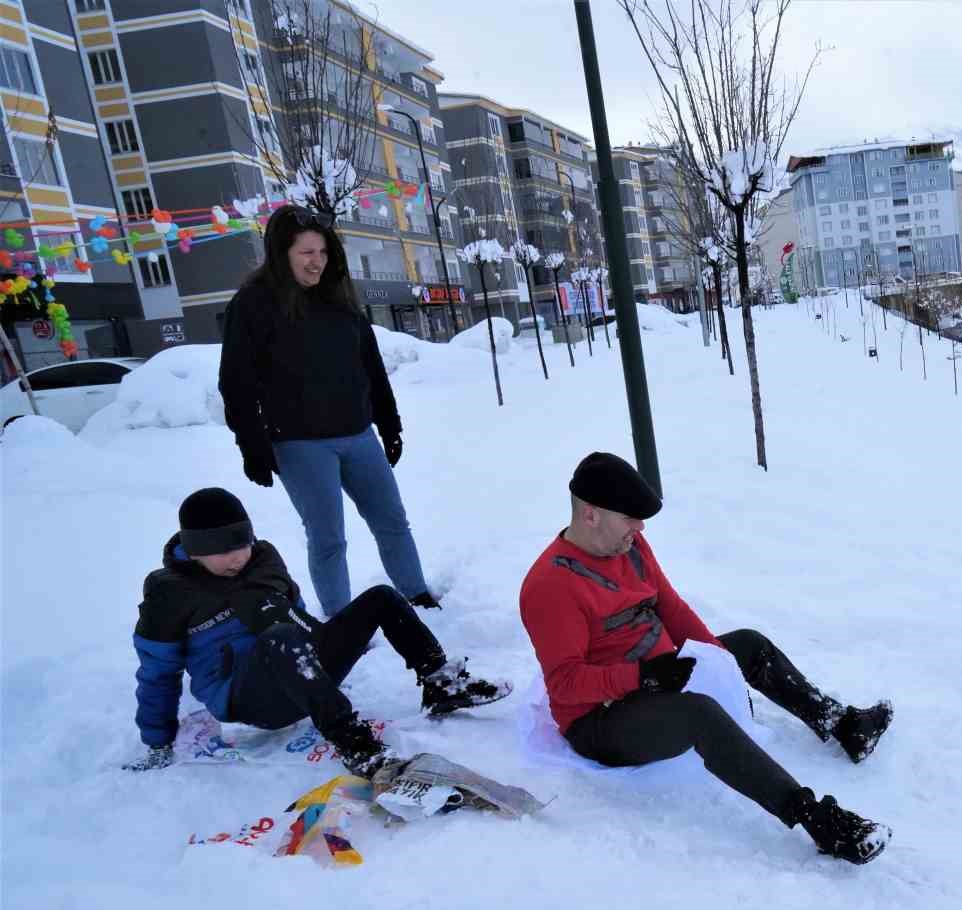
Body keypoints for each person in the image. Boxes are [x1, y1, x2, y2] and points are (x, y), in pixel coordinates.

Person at [519, 452, 894, 864]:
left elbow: (671, 608)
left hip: (656, 670)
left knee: (748, 645)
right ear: (591, 515)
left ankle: (841, 725)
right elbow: (566, 684)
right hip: (601, 718)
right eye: (630, 518)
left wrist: (720, 667)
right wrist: (641, 678)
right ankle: (816, 819)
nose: (640, 529)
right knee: (699, 714)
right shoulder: (550, 586)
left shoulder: (630, 546)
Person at [123, 488, 508, 775]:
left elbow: (298, 616)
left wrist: (318, 667)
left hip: (298, 670)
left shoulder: (262, 560)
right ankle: (355, 744)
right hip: (248, 698)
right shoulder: (169, 594)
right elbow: (158, 674)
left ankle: (440, 682)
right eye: (222, 550)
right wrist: (157, 742)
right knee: (279, 637)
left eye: (242, 543)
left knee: (380, 598)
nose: (237, 556)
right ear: (193, 550)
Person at [219, 204, 437, 618]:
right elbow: (236, 382)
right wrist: (252, 444)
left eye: (322, 252)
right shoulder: (253, 305)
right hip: (300, 444)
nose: (317, 262)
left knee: (392, 521)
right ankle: (343, 618)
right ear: (281, 254)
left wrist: (389, 424)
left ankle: (418, 597)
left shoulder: (338, 300)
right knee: (328, 539)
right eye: (306, 253)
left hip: (358, 436)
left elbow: (371, 368)